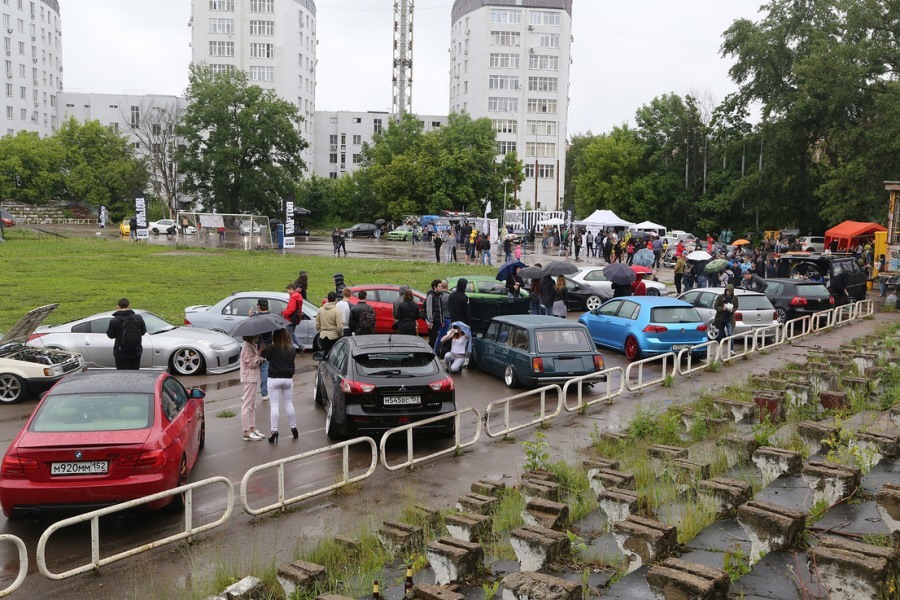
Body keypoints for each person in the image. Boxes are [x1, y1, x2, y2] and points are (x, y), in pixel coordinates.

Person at [262, 329, 297, 444]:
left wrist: (263, 348)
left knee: (274, 405)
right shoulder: (292, 349)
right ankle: (293, 427)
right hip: (287, 379)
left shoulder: (272, 349)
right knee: (288, 403)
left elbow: (266, 357)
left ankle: (274, 431)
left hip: (274, 378)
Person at [106, 298, 146, 370]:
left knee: (123, 375)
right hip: (136, 351)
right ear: (129, 306)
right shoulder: (138, 318)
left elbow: (110, 335)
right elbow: (143, 332)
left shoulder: (114, 321)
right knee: (135, 373)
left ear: (117, 306)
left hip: (121, 353)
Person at [239, 335, 265, 441]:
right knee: (247, 404)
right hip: (249, 378)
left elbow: (254, 361)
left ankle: (252, 427)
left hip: (253, 377)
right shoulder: (246, 345)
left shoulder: (251, 344)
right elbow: (251, 363)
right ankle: (246, 431)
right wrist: (259, 352)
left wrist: (260, 358)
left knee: (252, 404)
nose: (259, 335)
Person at [249, 298, 273, 401]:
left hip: (257, 346)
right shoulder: (271, 317)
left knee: (253, 369)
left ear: (259, 306)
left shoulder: (256, 317)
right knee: (264, 369)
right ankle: (264, 393)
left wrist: (251, 315)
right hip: (268, 345)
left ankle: (250, 392)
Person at [282, 283, 305, 350]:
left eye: (288, 290)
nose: (288, 292)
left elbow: (291, 309)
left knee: (289, 336)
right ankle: (301, 346)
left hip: (290, 319)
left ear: (291, 289)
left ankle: (290, 350)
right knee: (292, 333)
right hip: (295, 318)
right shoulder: (298, 296)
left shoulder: (293, 297)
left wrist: (284, 313)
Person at [425, 279, 445, 351]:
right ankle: (428, 352)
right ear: (434, 287)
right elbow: (429, 309)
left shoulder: (439, 296)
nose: (441, 288)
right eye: (439, 286)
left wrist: (442, 320)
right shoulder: (431, 296)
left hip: (438, 321)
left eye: (441, 286)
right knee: (432, 339)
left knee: (435, 338)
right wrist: (430, 321)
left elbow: (440, 309)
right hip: (433, 322)